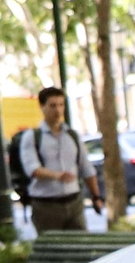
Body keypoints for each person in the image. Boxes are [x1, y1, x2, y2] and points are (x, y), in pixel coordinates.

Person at [16, 87, 95, 234]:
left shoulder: (72, 135)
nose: (58, 110)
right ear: (42, 106)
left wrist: (96, 196)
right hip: (46, 204)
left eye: (61, 105)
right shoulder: (32, 137)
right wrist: (58, 176)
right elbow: (33, 169)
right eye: (52, 105)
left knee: (81, 246)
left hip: (74, 201)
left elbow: (86, 168)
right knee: (52, 247)